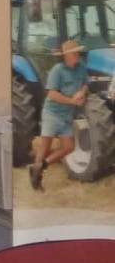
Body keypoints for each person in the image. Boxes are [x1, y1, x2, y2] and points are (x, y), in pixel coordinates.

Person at [29, 38, 89, 190]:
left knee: (69, 147)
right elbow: (52, 94)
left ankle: (41, 166)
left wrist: (82, 93)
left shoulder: (81, 67)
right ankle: (37, 180)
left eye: (77, 52)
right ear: (66, 55)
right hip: (52, 114)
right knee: (44, 146)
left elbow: (85, 84)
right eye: (73, 53)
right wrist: (72, 101)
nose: (77, 55)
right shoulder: (57, 70)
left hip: (66, 116)